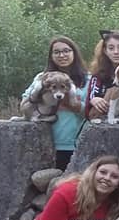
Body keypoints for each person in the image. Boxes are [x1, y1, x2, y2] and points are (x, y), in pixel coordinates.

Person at [21, 36, 90, 169]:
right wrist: (39, 94)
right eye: (56, 52)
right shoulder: (41, 77)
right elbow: (25, 104)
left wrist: (70, 103)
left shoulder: (88, 79)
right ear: (51, 56)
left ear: (74, 53)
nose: (62, 55)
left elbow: (90, 113)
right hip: (42, 140)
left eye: (66, 51)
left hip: (74, 143)